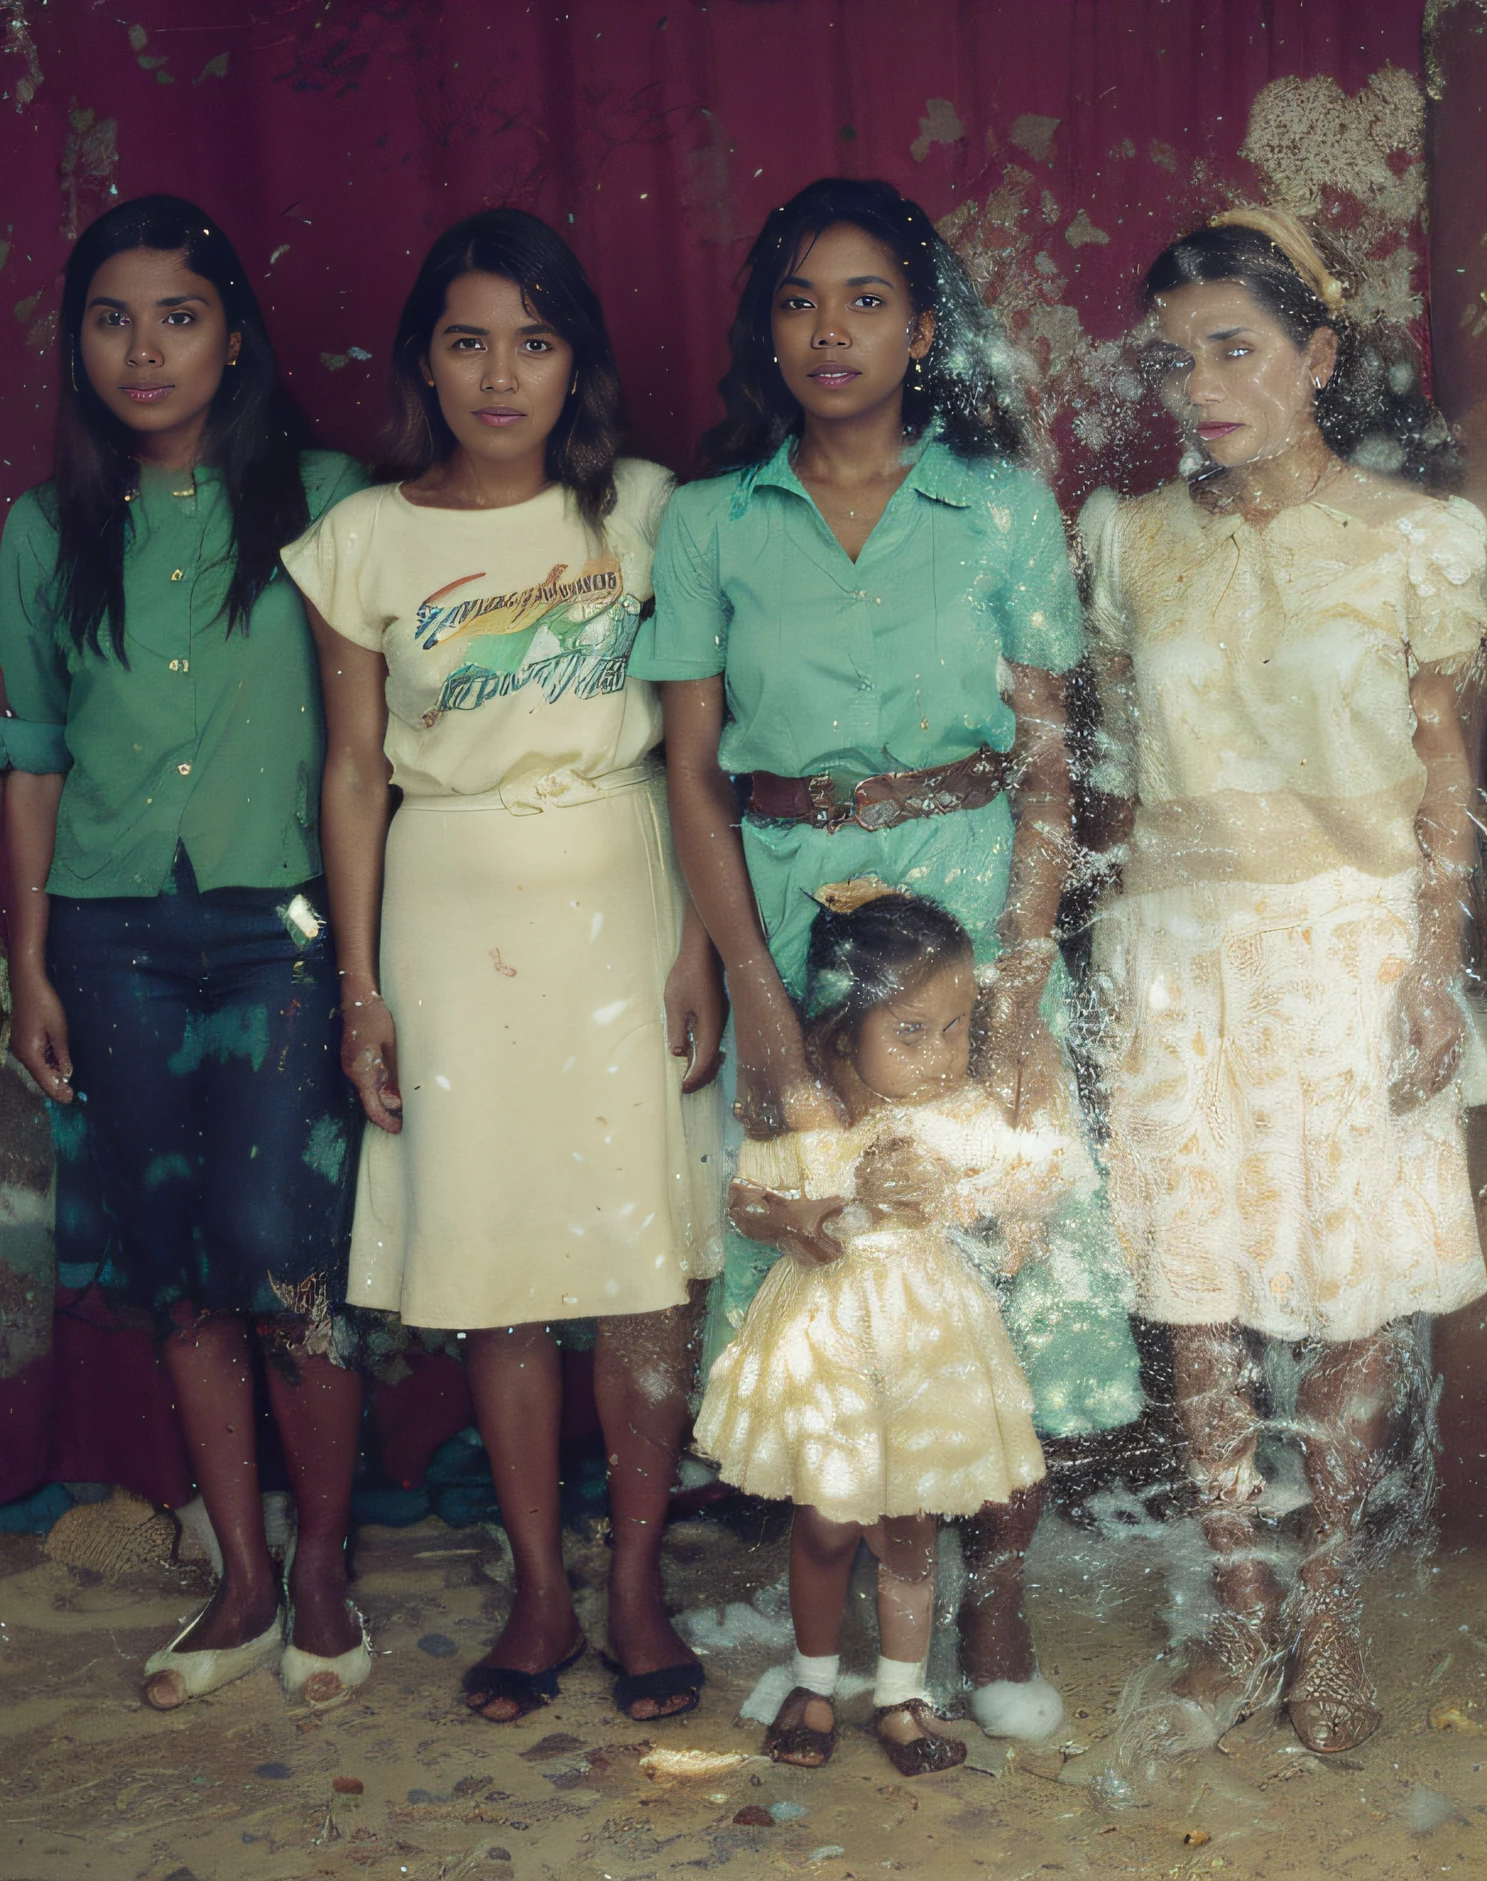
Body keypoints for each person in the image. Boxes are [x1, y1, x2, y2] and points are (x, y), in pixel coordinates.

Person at [631, 175, 1142, 1701]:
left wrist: (1015, 983)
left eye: (864, 300)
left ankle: (992, 1608)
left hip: (972, 890)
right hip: (783, 899)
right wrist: (758, 1003)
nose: (828, 330)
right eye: (796, 300)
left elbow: (1050, 764)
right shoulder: (716, 517)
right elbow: (689, 769)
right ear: (763, 329)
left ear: (922, 329)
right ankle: (839, 1631)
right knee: (828, 1242)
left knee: (997, 1237)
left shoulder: (993, 506)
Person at [282, 208, 724, 1725]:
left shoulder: (651, 512)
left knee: (642, 1265)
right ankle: (539, 1588)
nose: (498, 373)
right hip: (447, 901)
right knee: (496, 1266)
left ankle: (636, 1579)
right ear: (425, 357)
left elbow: (690, 751)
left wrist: (697, 950)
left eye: (533, 342)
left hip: (620, 883)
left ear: (573, 363)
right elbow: (352, 774)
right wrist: (361, 987)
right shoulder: (361, 538)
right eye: (467, 339)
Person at [1084, 207, 1487, 1755]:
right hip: (1179, 958)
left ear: (1316, 356)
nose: (1197, 384)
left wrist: (1433, 972)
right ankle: (1235, 1607)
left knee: (1346, 1304)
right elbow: (1113, 775)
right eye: (1175, 355)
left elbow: (1443, 768)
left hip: (1350, 945)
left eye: (1233, 349)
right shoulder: (1124, 535)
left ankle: (1321, 1605)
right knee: (1196, 1297)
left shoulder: (1423, 537)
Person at [0, 195, 371, 1710]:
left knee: (282, 1250)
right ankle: (246, 1578)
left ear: (234, 338)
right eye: (111, 319)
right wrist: (29, 963)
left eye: (178, 316)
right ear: (77, 343)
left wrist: (360, 961)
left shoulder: (326, 497)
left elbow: (362, 742)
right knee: (175, 1266)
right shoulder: (43, 527)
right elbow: (32, 760)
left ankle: (322, 1561)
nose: (144, 350)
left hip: (284, 927)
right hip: (112, 932)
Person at [697, 884, 1097, 1770]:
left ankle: (902, 1696)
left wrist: (986, 1198)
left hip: (926, 1343)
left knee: (911, 1530)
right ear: (842, 1027)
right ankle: (810, 1680)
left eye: (956, 1027)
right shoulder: (798, 1111)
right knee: (828, 1524)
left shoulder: (954, 1117)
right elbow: (749, 1203)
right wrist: (814, 1209)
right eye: (911, 1032)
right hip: (830, 1343)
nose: (943, 1054)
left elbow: (1021, 1181)